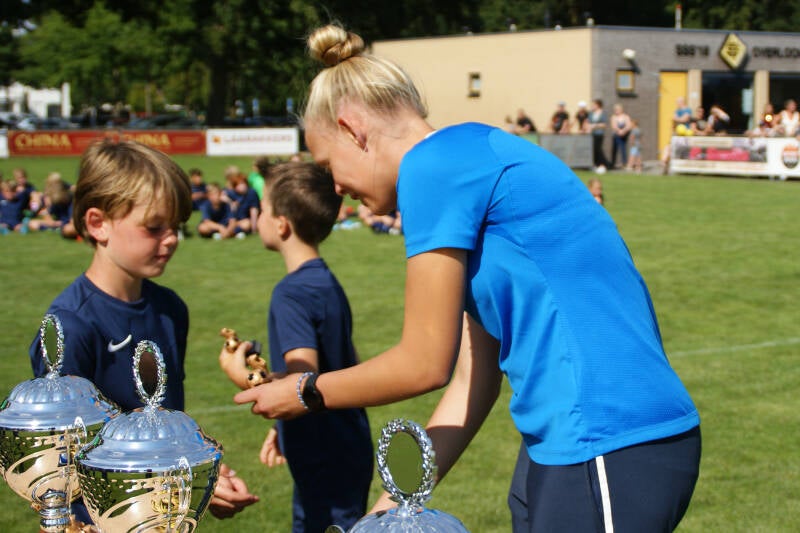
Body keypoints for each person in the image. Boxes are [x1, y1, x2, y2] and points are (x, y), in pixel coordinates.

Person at [233, 24, 701, 533]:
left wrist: (305, 391)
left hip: (610, 437)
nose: (338, 189)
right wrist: (385, 512)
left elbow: (422, 362)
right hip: (572, 444)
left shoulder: (433, 167)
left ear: (352, 129)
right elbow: (469, 381)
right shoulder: (464, 155)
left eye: (328, 166)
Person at [27, 139, 258, 525]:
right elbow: (62, 462)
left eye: (177, 227)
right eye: (154, 228)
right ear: (98, 224)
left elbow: (166, 420)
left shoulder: (170, 309)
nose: (171, 239)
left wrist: (200, 476)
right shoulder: (70, 326)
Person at [220, 162, 373, 532]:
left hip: (325, 454)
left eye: (264, 207)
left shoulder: (291, 293)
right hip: (345, 442)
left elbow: (301, 382)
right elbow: (339, 365)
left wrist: (245, 376)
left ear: (281, 223)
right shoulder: (326, 282)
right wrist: (283, 430)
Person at [588, 98, 610, 171]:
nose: (592, 106)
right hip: (592, 133)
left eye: (594, 104)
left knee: (598, 148)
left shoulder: (602, 113)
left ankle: (603, 164)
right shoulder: (591, 113)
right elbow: (588, 122)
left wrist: (596, 126)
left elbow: (604, 124)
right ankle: (596, 164)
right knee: (593, 149)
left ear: (598, 105)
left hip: (599, 133)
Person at [610, 103, 632, 169]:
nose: (616, 111)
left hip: (624, 135)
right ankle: (613, 163)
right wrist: (619, 131)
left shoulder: (626, 117)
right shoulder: (613, 117)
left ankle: (624, 163)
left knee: (623, 148)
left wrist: (623, 131)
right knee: (614, 149)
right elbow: (613, 125)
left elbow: (629, 125)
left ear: (621, 109)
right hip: (616, 135)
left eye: (617, 109)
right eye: (615, 110)